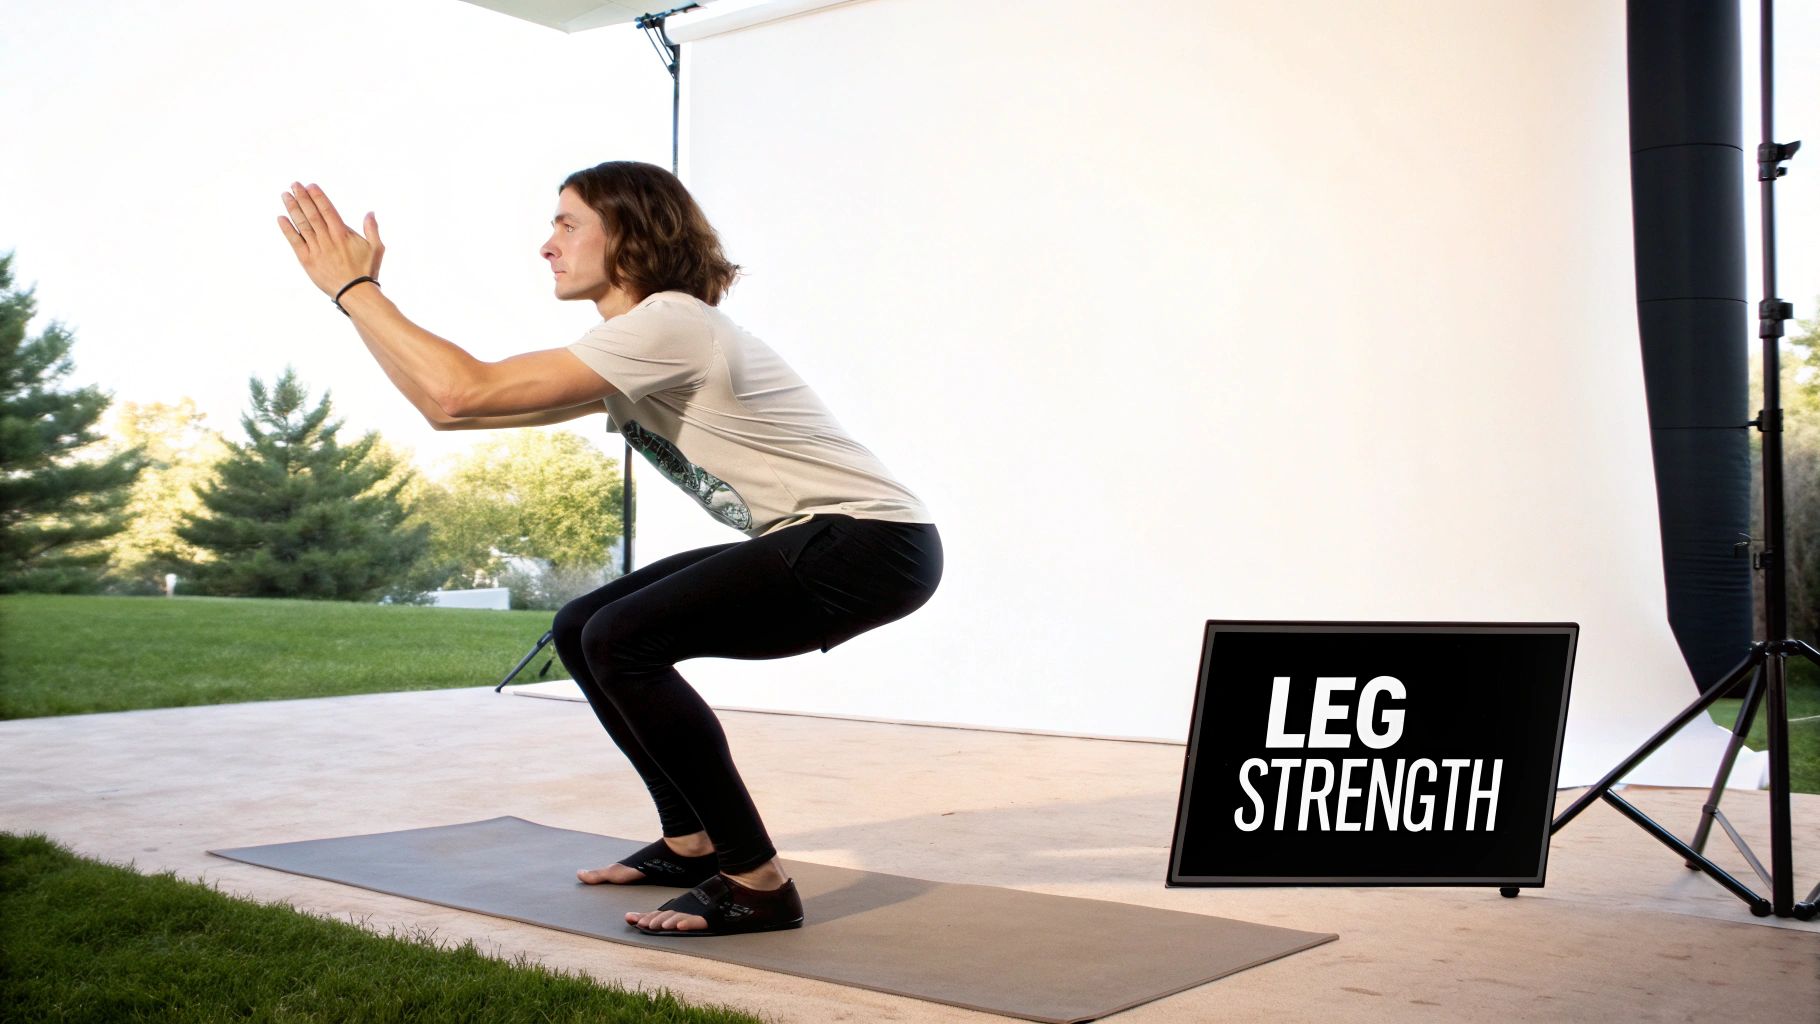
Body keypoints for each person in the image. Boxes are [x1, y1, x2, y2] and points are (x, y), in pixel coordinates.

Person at [277, 161, 942, 937]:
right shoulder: (633, 344)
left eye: (567, 223)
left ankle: (756, 881)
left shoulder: (672, 325)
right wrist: (353, 300)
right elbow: (449, 410)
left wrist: (356, 289)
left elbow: (462, 389)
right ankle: (690, 843)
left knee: (622, 638)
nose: (547, 245)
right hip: (832, 538)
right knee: (582, 626)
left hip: (869, 542)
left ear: (629, 233)